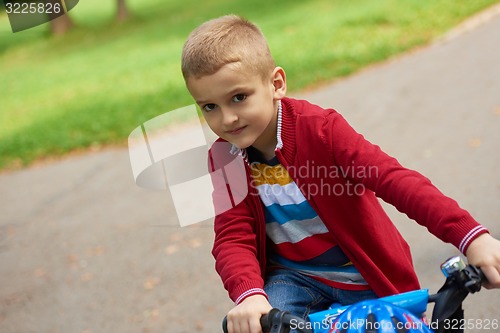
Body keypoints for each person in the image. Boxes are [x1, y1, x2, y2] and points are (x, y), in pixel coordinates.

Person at [180, 15, 500, 333]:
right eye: (209, 106)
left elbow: (395, 180)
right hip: (294, 279)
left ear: (276, 84)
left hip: (365, 275)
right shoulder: (225, 157)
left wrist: (470, 236)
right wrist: (248, 295)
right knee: (261, 326)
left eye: (239, 97)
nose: (228, 119)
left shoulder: (321, 130)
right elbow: (232, 234)